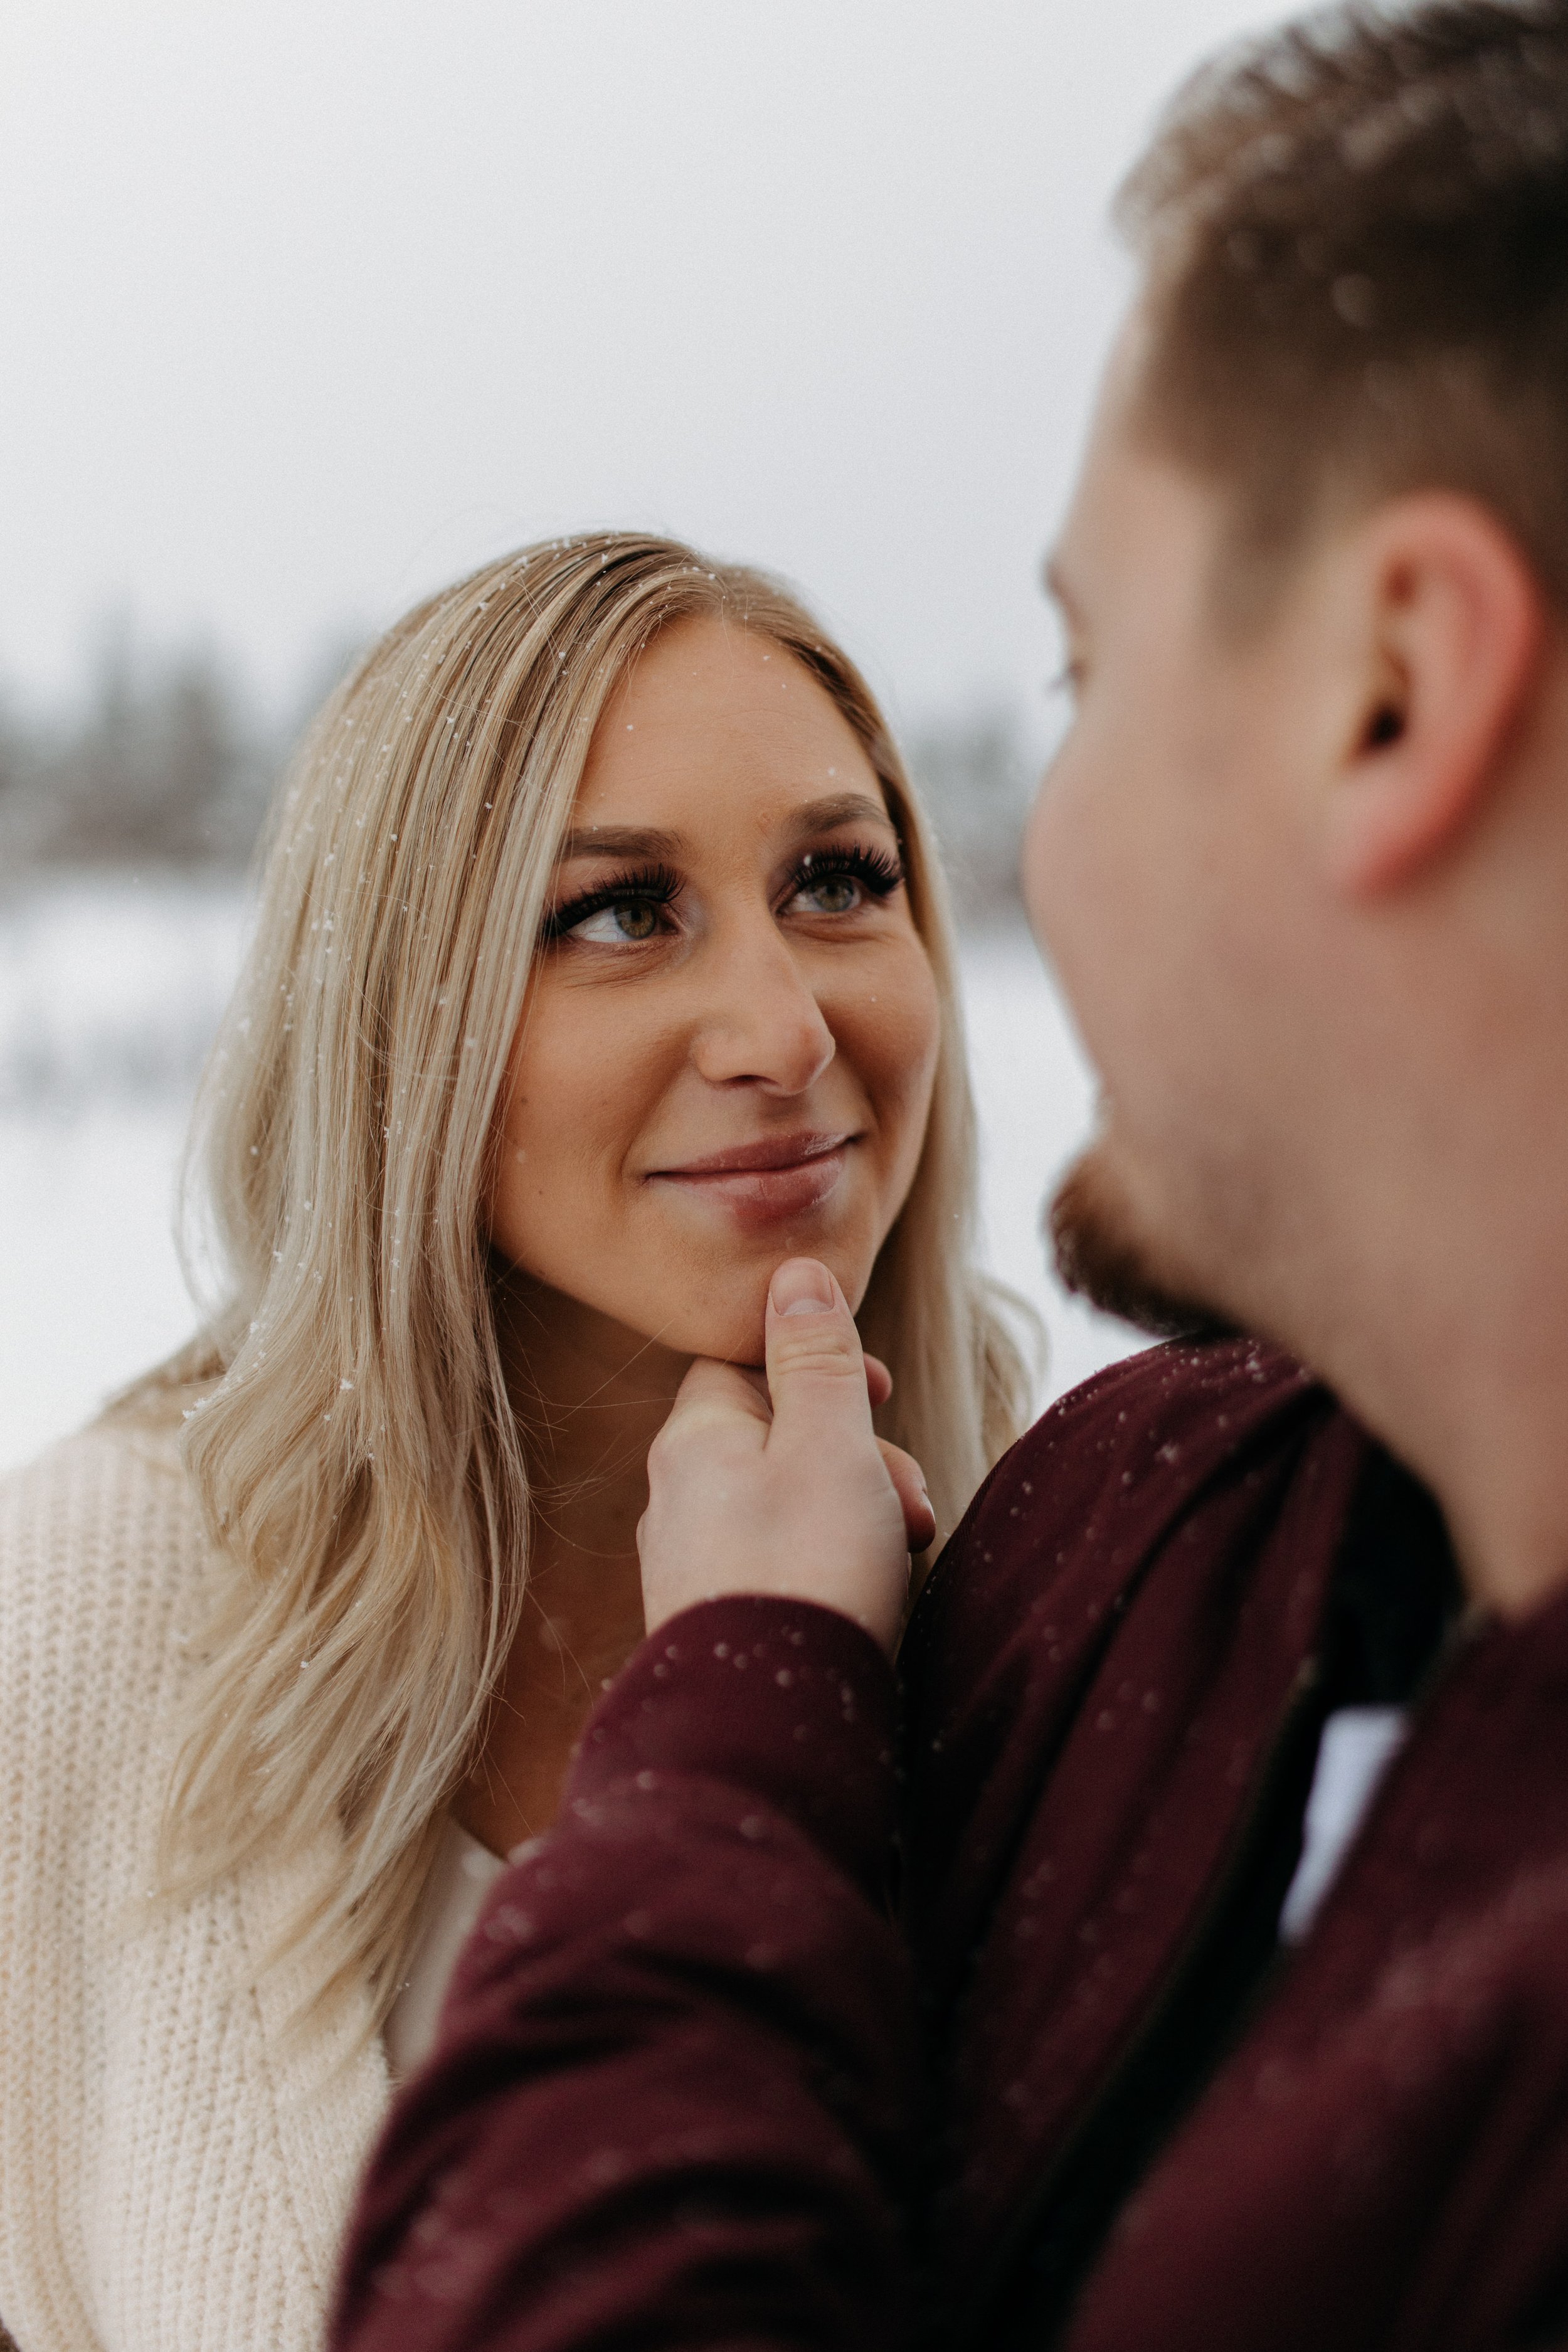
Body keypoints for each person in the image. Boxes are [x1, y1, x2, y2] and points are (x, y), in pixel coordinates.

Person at [330, 6, 1568, 2349]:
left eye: (1084, 678)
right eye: (615, 908)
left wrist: (737, 1686)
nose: (795, 1033)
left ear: (1393, 692)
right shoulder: (1135, 1531)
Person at [0, 533, 1031, 2352]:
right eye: (622, 911)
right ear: (404, 1024)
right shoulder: (66, 1630)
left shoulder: (1076, 1579)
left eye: (837, 880)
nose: (784, 1030)